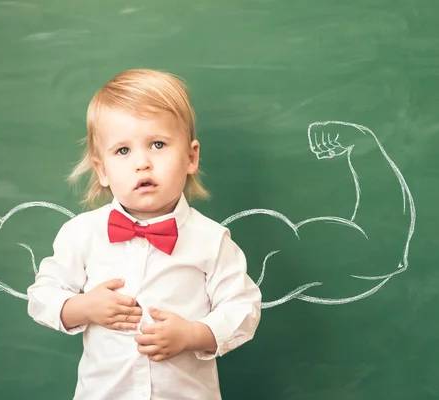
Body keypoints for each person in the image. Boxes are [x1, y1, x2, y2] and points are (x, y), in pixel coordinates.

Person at [26, 69, 262, 400]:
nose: (143, 163)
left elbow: (243, 308)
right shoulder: (82, 233)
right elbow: (41, 297)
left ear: (191, 157)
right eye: (123, 151)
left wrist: (193, 334)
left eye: (158, 144)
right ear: (102, 169)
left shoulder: (211, 240)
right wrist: (83, 307)